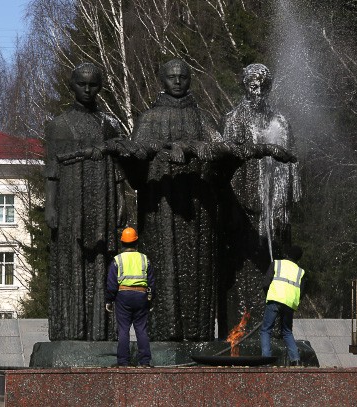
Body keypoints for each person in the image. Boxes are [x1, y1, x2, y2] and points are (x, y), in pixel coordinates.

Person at [126, 59, 223, 341]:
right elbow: (138, 154)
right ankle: (164, 332)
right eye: (171, 77)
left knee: (198, 270)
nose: (178, 81)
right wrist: (170, 148)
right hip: (162, 207)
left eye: (183, 76)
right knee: (164, 266)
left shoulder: (203, 118)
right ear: (162, 80)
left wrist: (203, 148)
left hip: (198, 206)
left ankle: (199, 332)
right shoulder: (149, 118)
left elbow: (220, 148)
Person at [44, 62, 126, 341]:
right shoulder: (59, 126)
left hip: (102, 201)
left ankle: (101, 331)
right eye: (82, 84)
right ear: (72, 85)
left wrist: (121, 201)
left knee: (102, 261)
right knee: (71, 262)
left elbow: (117, 168)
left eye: (93, 84)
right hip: (70, 204)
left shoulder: (108, 125)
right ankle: (70, 329)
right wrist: (51, 206)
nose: (88, 89)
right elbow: (52, 172)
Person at [220, 63, 301, 335]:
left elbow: (291, 168)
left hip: (274, 208)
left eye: (262, 84)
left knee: (271, 268)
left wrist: (283, 207)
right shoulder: (233, 119)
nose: (257, 89)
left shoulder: (280, 121)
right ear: (244, 85)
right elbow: (227, 164)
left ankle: (274, 330)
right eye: (252, 83)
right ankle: (239, 330)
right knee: (243, 268)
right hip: (243, 204)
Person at [105, 227, 156, 367]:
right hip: (141, 295)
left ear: (122, 243)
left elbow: (111, 283)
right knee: (141, 329)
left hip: (123, 295)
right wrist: (150, 299)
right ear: (136, 241)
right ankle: (145, 362)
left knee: (123, 329)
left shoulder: (117, 260)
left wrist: (109, 300)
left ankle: (123, 362)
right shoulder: (144, 259)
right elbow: (151, 281)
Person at [260, 245, 306, 366]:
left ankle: (266, 360)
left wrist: (269, 295)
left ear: (287, 254)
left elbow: (265, 284)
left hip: (274, 300)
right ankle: (295, 360)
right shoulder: (300, 271)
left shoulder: (277, 264)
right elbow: (302, 292)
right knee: (287, 332)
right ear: (298, 258)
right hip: (289, 304)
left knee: (266, 330)